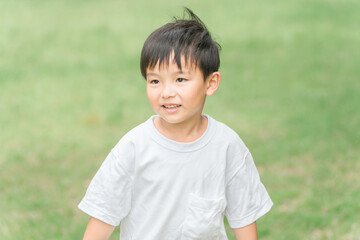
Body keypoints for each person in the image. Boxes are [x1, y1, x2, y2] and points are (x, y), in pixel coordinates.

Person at [78, 7, 273, 240]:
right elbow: (102, 217)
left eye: (180, 79)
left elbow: (244, 219)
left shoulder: (227, 146)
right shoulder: (134, 147)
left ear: (211, 83)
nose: (166, 92)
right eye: (154, 81)